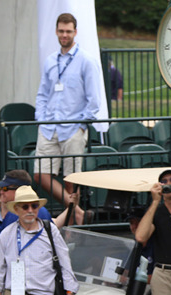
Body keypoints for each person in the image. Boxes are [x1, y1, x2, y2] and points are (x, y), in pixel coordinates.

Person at [34, 13, 103, 215]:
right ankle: (78, 212)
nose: (64, 35)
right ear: (56, 31)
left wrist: (80, 125)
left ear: (75, 32)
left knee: (71, 180)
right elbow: (42, 93)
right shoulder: (50, 61)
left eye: (68, 31)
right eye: (61, 31)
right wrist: (41, 118)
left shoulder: (86, 61)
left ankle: (72, 221)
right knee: (40, 174)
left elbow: (94, 102)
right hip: (48, 128)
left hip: (73, 128)